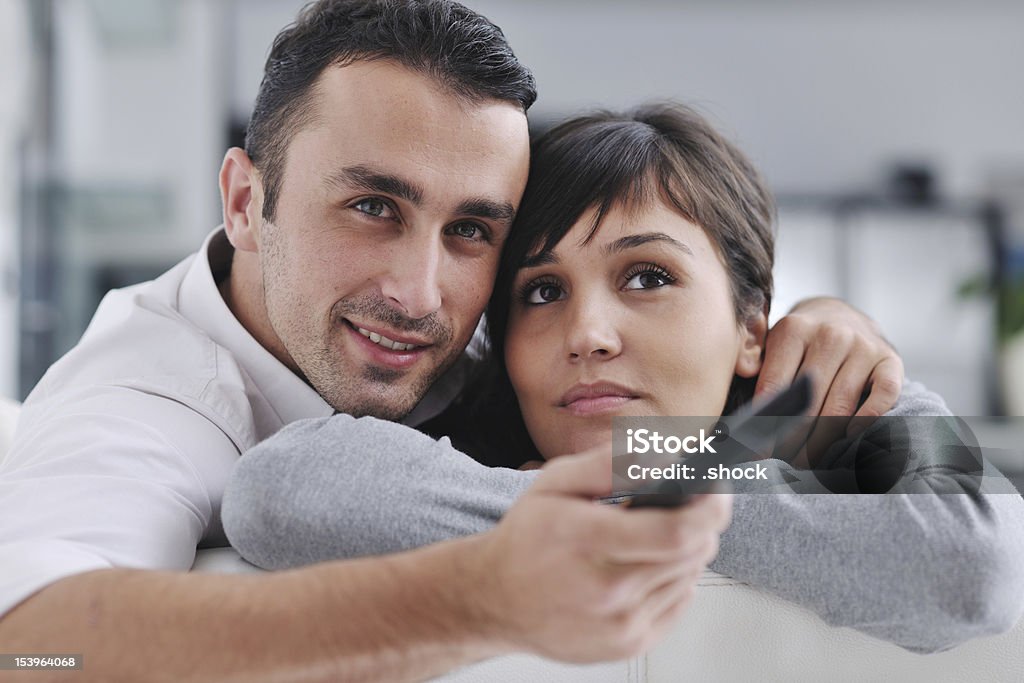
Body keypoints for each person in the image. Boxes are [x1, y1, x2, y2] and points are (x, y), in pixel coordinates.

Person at [0, 1, 904, 679]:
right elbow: (28, 649)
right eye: (371, 206)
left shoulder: (493, 342)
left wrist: (825, 329)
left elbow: (943, 500)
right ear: (245, 201)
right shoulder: (148, 403)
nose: (419, 292)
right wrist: (473, 593)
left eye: (472, 229)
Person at [224, 102, 1024, 655]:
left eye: (647, 276)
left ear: (753, 328)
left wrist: (644, 474)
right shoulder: (457, 438)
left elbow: (971, 558)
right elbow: (277, 491)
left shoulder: (832, 403)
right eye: (541, 291)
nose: (589, 335)